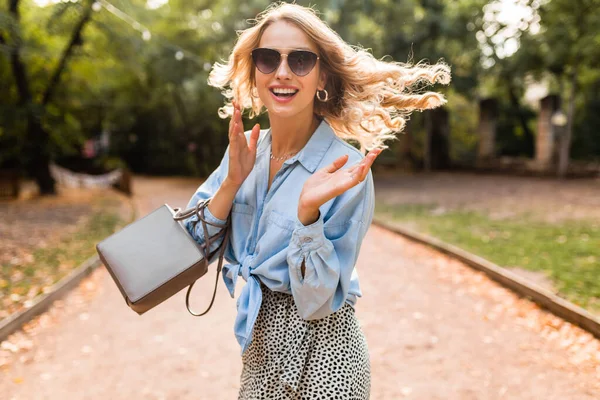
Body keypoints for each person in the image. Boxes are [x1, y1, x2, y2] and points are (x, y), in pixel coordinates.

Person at [184, 2, 450, 398]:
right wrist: (231, 184)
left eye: (302, 60)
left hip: (327, 362)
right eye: (268, 58)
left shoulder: (346, 170)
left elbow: (316, 299)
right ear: (255, 71)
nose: (283, 72)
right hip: (260, 358)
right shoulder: (243, 153)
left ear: (322, 74)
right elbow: (189, 247)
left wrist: (308, 217)